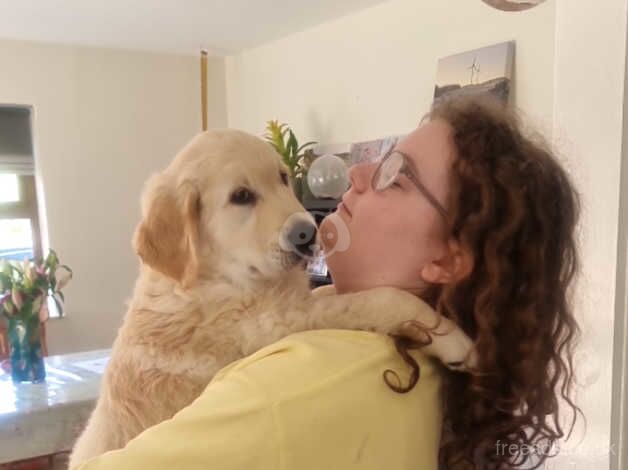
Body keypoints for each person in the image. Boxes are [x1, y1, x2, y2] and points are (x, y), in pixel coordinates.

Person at [73, 95, 581, 470]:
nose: (358, 175)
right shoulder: (426, 358)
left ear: (448, 259)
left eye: (395, 176)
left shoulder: (303, 383)